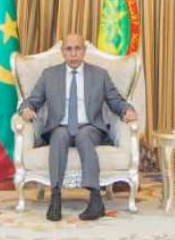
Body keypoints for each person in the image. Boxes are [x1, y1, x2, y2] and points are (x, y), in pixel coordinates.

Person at [19, 33, 136, 222]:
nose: (73, 53)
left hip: (90, 127)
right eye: (69, 49)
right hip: (60, 126)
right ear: (62, 52)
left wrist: (127, 110)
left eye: (77, 49)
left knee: (84, 136)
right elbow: (32, 101)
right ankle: (55, 197)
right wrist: (26, 109)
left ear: (84, 50)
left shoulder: (100, 75)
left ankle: (96, 199)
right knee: (59, 136)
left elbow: (116, 101)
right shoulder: (49, 75)